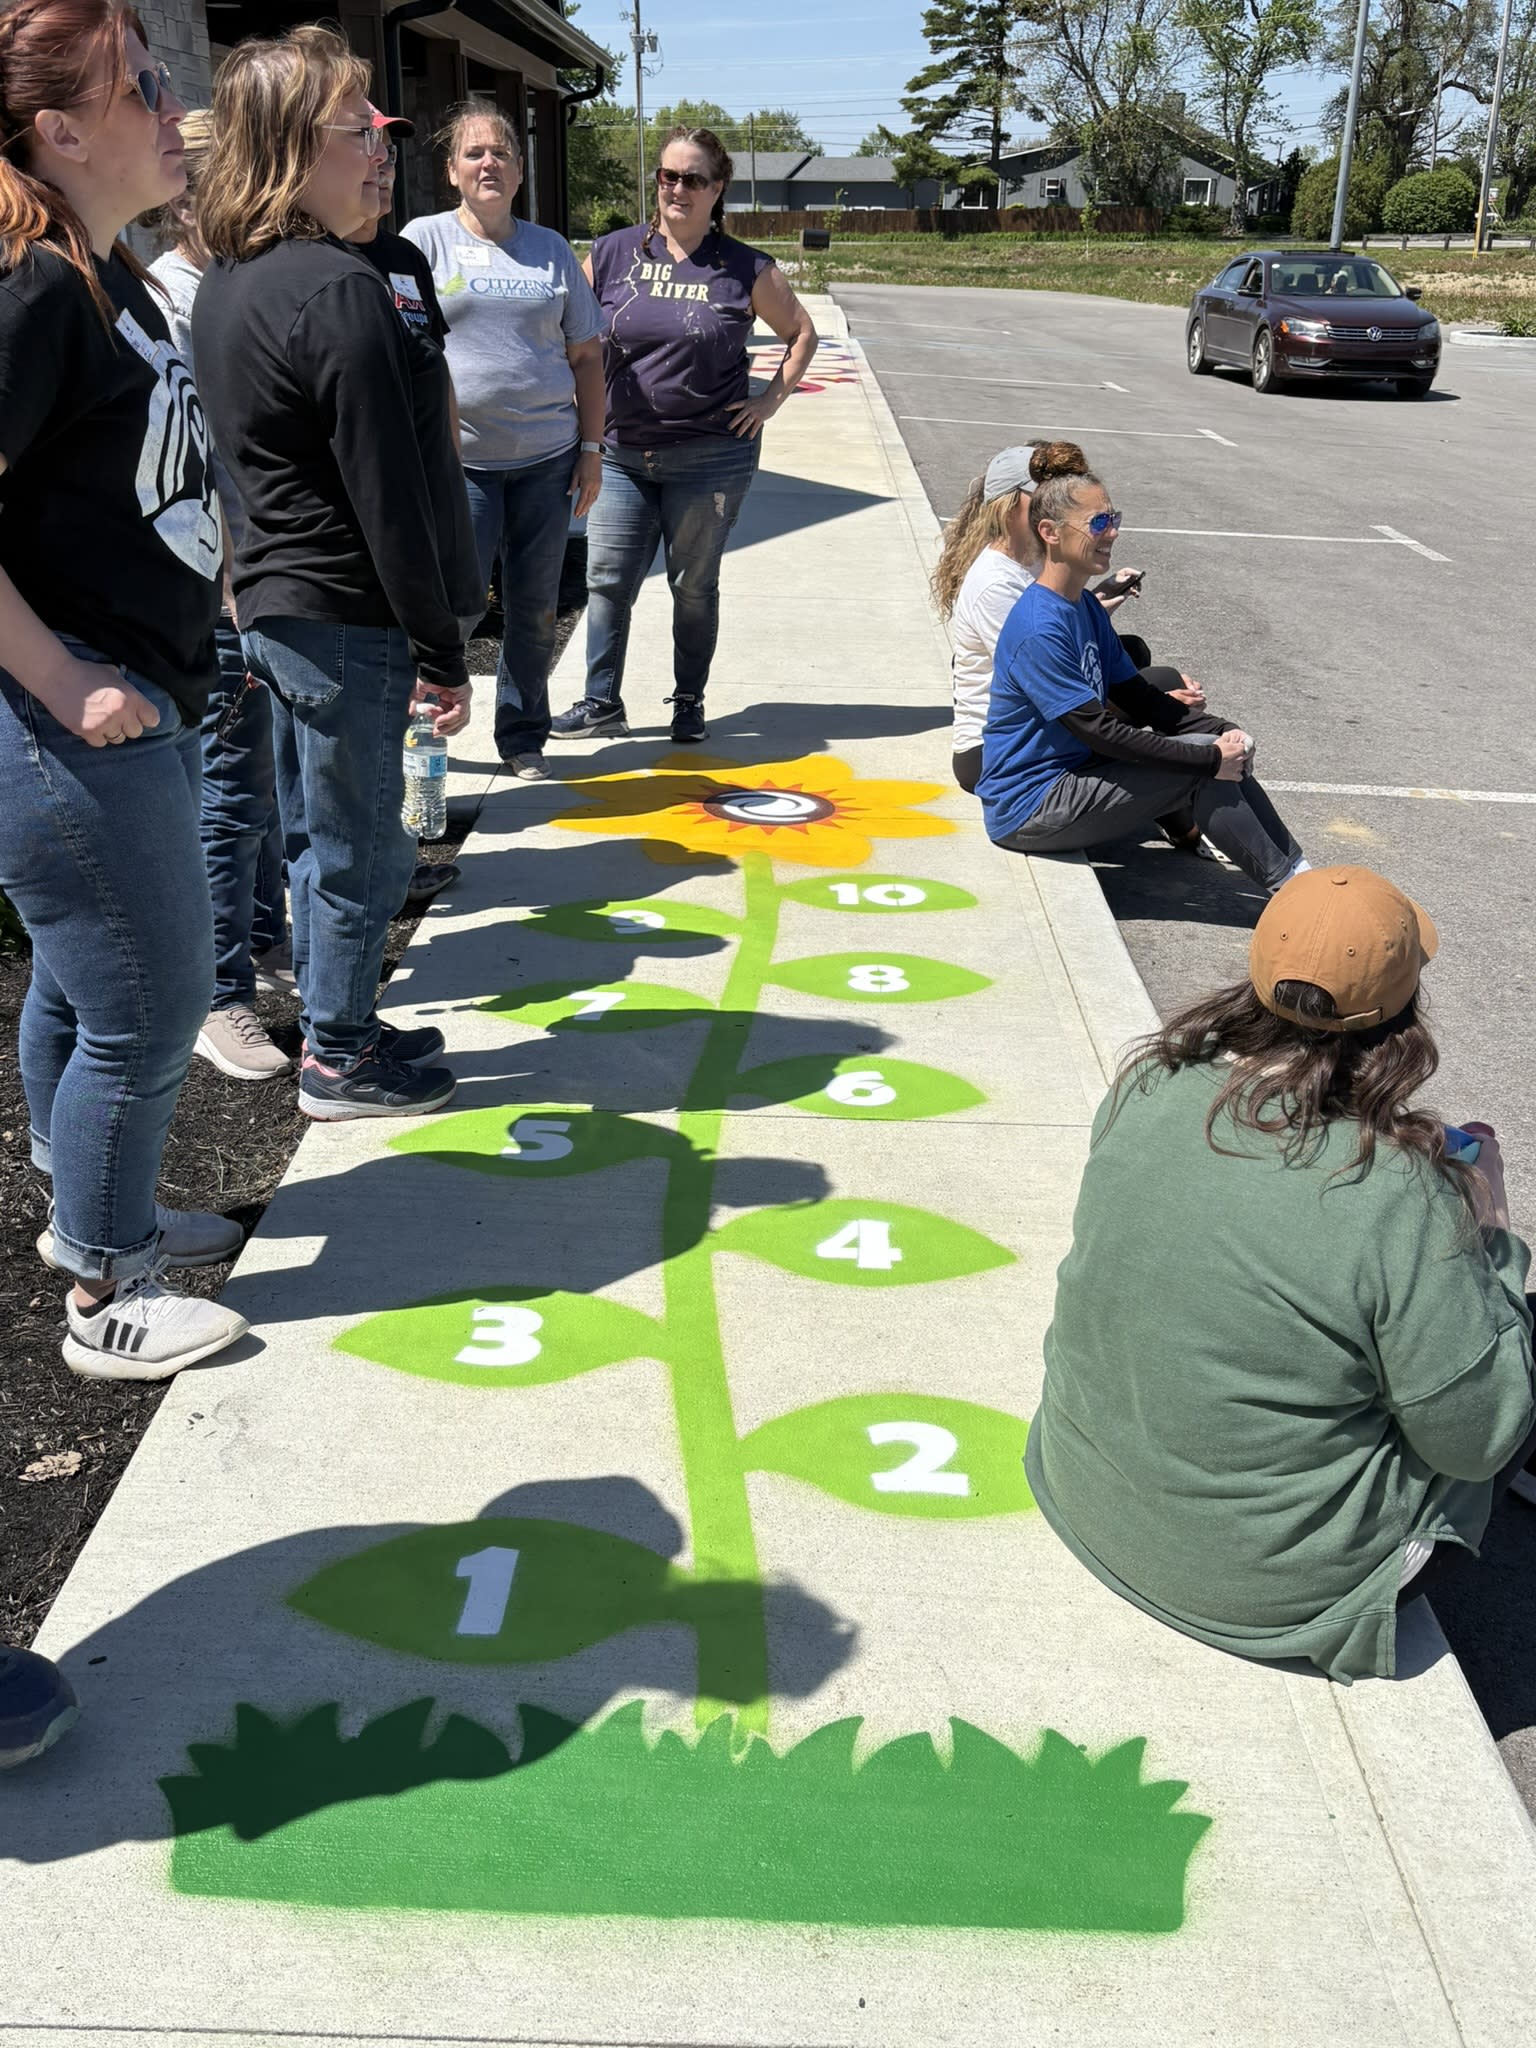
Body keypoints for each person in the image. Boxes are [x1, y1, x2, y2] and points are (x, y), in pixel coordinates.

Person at [1027, 866, 1536, 1682]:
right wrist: (1491, 1232)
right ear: (1404, 1016)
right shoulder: (1398, 1192)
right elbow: (1476, 1442)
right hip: (1266, 1591)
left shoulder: (1151, 1079)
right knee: (1513, 1358)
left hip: (1079, 1489)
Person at [0, 0, 248, 1378]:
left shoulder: (112, 272)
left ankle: (88, 1213)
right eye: (141, 89)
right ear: (60, 129)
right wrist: (63, 678)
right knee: (152, 1002)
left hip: (138, 688)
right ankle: (109, 1289)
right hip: (65, 720)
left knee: (84, 982)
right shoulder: (32, 289)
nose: (172, 111)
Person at [193, 26, 482, 1121]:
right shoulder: (337, 288)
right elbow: (387, 492)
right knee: (362, 846)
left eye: (380, 131)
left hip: (278, 604)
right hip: (347, 608)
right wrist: (441, 645)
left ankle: (335, 1016)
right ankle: (341, 1057)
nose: (379, 151)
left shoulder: (233, 280)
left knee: (319, 834)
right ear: (286, 146)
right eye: (354, 130)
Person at [551, 124, 818, 747]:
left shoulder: (744, 266)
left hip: (710, 457)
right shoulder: (613, 253)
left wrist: (770, 401)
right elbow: (568, 329)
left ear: (717, 188)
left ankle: (689, 700)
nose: (677, 188)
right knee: (607, 581)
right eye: (668, 176)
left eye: (693, 178)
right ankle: (601, 702)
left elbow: (801, 333)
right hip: (620, 453)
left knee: (692, 586)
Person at [978, 459, 1308, 894]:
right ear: (1050, 532)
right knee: (1203, 765)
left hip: (1074, 776)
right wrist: (1210, 759)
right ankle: (1295, 894)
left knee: (1217, 750)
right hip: (1029, 807)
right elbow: (1098, 731)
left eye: (1114, 519)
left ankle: (1301, 874)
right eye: (1098, 522)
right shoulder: (1039, 627)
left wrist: (1224, 730)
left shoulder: (1084, 607)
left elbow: (1141, 698)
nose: (1113, 532)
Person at [149, 108, 293, 1084]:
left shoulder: (227, 284)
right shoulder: (171, 299)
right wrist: (239, 577)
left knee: (259, 785)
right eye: (244, 178)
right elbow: (192, 464)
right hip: (219, 588)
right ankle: (218, 994)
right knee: (229, 792)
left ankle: (257, 937)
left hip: (258, 577)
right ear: (194, 197)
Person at [403, 98, 603, 780]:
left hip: (548, 462)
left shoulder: (550, 249)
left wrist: (592, 450)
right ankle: (420, 727)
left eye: (502, 153)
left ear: (520, 171)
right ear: (451, 171)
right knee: (453, 610)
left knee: (536, 608)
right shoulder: (422, 242)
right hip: (460, 467)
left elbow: (587, 356)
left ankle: (522, 737)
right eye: (474, 153)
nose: (488, 163)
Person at [345, 101, 460, 913]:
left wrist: (448, 470)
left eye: (388, 151)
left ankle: (398, 858)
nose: (381, 165)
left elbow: (434, 373)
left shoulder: (402, 260)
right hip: (350, 556)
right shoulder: (316, 273)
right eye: (365, 146)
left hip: (419, 513)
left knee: (402, 726)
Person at [933, 440, 1149, 795]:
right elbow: (1043, 667)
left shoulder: (1033, 560)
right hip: (993, 749)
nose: (1055, 502)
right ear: (1007, 507)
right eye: (1041, 494)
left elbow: (1059, 631)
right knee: (1157, 690)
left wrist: (1099, 598)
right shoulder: (996, 584)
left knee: (1133, 656)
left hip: (1032, 717)